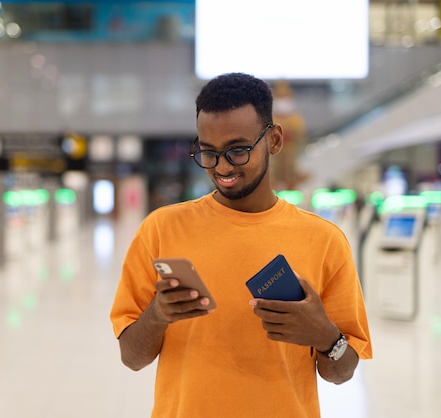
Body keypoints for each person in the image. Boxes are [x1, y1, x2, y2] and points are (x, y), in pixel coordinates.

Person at [110, 72, 372, 418]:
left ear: (274, 140)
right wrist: (157, 315)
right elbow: (132, 357)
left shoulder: (324, 241)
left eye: (237, 150)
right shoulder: (161, 229)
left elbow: (343, 371)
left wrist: (325, 337)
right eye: (208, 152)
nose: (221, 167)